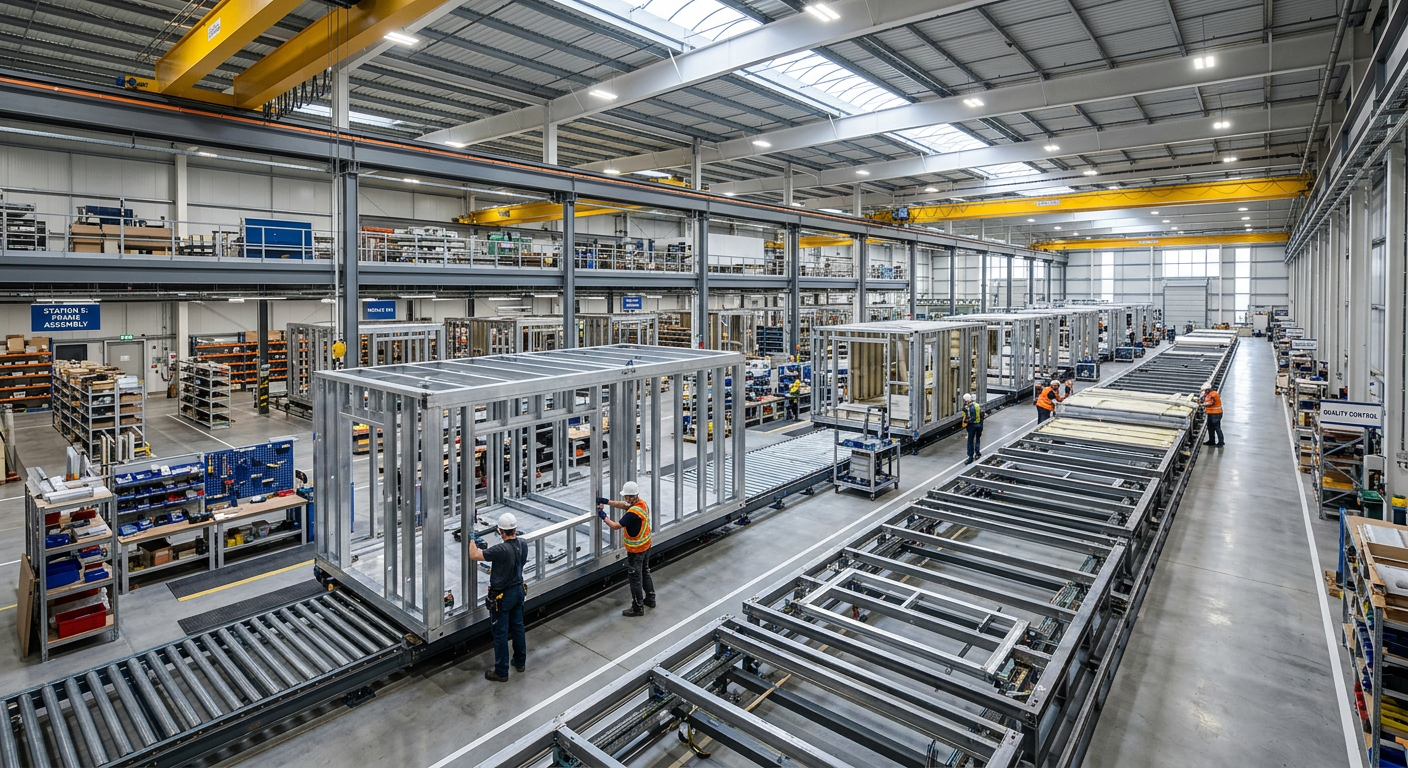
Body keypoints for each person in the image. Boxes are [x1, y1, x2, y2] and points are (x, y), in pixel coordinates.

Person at [469, 512, 529, 682]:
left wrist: (471, 539)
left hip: (503, 597)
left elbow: (474, 555)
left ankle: (501, 671)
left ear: (500, 531)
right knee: (518, 626)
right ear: (515, 529)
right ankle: (520, 662)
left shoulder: (500, 549)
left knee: (500, 633)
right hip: (518, 590)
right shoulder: (522, 544)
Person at [598, 481, 654, 616]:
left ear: (635, 495)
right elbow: (624, 505)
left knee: (635, 578)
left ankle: (637, 607)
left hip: (636, 551)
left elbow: (616, 526)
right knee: (645, 572)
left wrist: (603, 516)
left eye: (629, 497)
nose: (627, 499)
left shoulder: (632, 514)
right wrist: (606, 501)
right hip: (646, 546)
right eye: (626, 496)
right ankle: (650, 599)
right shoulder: (642, 504)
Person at [961, 393, 982, 464]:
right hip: (979, 425)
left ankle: (970, 457)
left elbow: (972, 418)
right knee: (977, 439)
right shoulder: (977, 405)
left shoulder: (970, 407)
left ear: (967, 400)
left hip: (972, 426)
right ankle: (977, 453)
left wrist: (966, 421)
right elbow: (981, 414)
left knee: (970, 441)